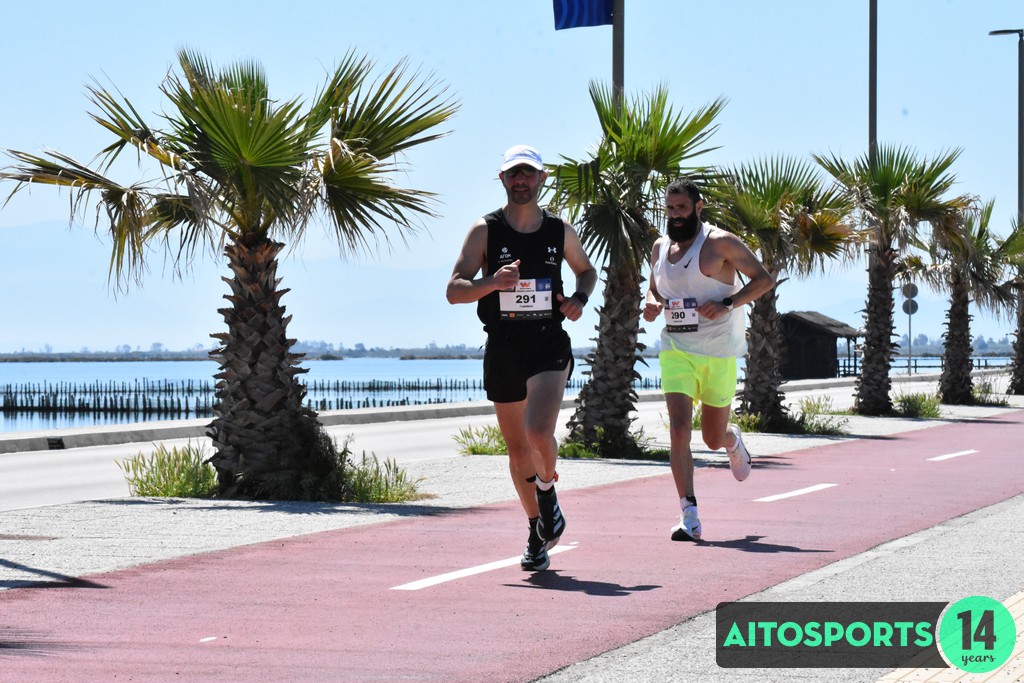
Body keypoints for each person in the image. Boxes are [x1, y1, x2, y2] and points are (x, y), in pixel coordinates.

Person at [446, 144, 598, 571]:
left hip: (548, 343)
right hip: (503, 346)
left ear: (541, 179)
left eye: (528, 173)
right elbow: (454, 290)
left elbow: (587, 271)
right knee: (517, 453)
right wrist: (492, 283)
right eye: (513, 173)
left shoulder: (559, 230)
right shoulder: (485, 231)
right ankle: (536, 530)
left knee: (538, 432)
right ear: (502, 179)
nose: (521, 181)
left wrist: (579, 299)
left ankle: (547, 491)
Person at [642, 177, 775, 542]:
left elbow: (763, 280)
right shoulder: (659, 247)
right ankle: (689, 515)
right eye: (670, 208)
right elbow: (654, 288)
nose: (675, 215)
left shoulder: (720, 242)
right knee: (678, 430)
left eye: (682, 208)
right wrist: (652, 304)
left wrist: (727, 303)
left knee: (712, 437)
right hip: (676, 349)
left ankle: (732, 440)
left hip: (718, 352)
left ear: (698, 207)